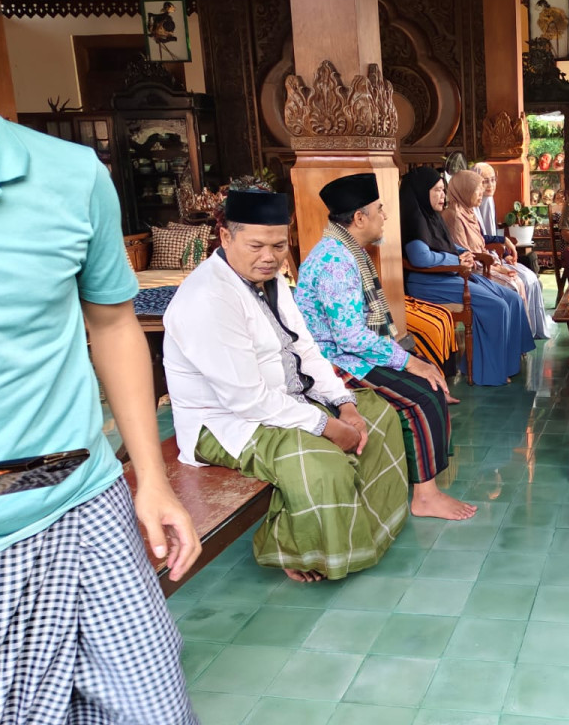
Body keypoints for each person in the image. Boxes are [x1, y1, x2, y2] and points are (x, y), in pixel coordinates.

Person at [0, 0, 212, 725]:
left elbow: (112, 320)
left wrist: (149, 476)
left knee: (148, 717)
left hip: (77, 499)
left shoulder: (69, 178)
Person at [164, 185, 410, 583]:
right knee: (322, 461)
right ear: (226, 237)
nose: (269, 257)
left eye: (279, 246)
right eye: (256, 245)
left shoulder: (271, 280)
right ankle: (296, 548)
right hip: (225, 424)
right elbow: (247, 400)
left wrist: (344, 404)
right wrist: (329, 427)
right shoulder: (208, 297)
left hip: (284, 399)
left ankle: (364, 533)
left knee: (376, 415)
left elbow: (307, 350)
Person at [295, 173, 477, 521]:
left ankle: (426, 478)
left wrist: (413, 362)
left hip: (346, 351)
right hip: (331, 361)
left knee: (429, 373)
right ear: (359, 218)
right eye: (380, 210)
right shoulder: (335, 261)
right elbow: (349, 338)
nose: (385, 216)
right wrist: (408, 364)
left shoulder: (345, 250)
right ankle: (425, 496)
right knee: (423, 395)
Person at [400, 167, 535, 386]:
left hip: (449, 276)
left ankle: (508, 364)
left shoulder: (432, 216)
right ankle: (489, 372)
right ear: (422, 192)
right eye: (438, 191)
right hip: (429, 282)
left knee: (511, 298)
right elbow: (421, 258)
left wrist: (462, 252)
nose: (443, 196)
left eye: (444, 190)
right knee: (496, 305)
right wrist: (456, 260)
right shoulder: (415, 221)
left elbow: (444, 244)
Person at [445, 169, 554, 338]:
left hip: (485, 262)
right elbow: (468, 255)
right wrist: (498, 268)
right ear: (464, 190)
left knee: (526, 278)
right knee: (513, 284)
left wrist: (500, 258)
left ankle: (526, 334)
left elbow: (480, 243)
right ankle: (513, 338)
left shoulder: (468, 212)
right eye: (477, 189)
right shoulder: (454, 216)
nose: (482, 193)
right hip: (472, 271)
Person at [473, 162, 539, 273]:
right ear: (475, 183)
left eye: (493, 180)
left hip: (494, 254)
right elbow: (476, 238)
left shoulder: (489, 201)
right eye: (485, 181)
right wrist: (502, 241)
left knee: (529, 274)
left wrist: (505, 255)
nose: (491, 185)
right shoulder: (471, 207)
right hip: (479, 259)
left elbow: (492, 233)